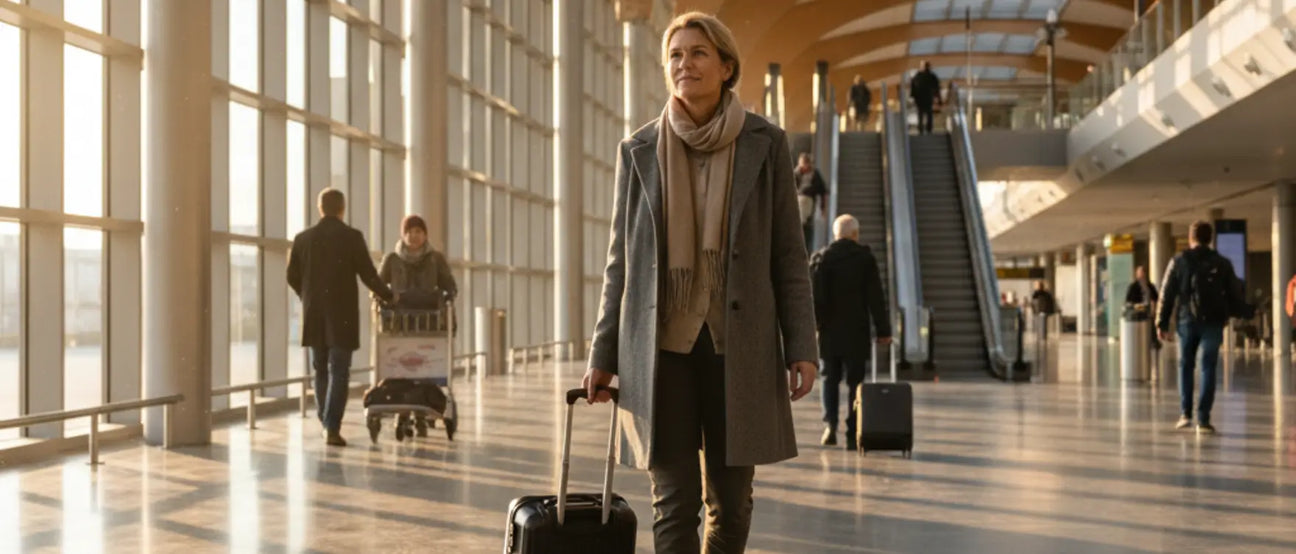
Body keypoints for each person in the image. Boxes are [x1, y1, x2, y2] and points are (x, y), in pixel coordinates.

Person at [583, 11, 818, 552]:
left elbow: (788, 254)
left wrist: (802, 345)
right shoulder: (638, 150)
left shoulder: (766, 143)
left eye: (697, 52)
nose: (683, 63)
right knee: (673, 504)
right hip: (660, 352)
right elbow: (620, 261)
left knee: (731, 505)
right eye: (674, 55)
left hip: (740, 348)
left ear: (726, 65)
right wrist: (603, 352)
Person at [288, 188, 395, 447]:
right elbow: (368, 274)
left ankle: (326, 422)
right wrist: (389, 296)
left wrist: (307, 297)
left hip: (314, 313)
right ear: (342, 208)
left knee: (320, 368)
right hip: (342, 314)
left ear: (320, 208)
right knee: (339, 370)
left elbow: (292, 276)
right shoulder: (352, 237)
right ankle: (331, 426)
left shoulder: (302, 239)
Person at [811, 215, 891, 450]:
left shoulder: (821, 259)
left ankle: (830, 426)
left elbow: (812, 298)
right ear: (855, 234)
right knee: (856, 381)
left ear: (835, 234)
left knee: (829, 378)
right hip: (856, 331)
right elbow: (875, 297)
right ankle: (853, 428)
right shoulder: (864, 259)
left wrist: (814, 326)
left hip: (828, 331)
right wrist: (883, 330)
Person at [1156, 220, 1243, 435]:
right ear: (1210, 238)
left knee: (1185, 365)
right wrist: (1229, 316)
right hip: (1212, 322)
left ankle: (1185, 414)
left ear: (1190, 237)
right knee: (1208, 367)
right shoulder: (1222, 263)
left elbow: (1167, 293)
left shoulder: (1179, 260)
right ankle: (1203, 420)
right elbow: (1235, 293)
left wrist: (1162, 322)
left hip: (1186, 321)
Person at [377, 214, 457, 437]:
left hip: (427, 323)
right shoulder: (392, 259)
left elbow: (449, 283)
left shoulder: (435, 259)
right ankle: (403, 413)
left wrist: (449, 294)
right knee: (400, 369)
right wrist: (382, 297)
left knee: (424, 368)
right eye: (410, 232)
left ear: (425, 235)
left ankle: (420, 414)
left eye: (418, 232)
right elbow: (379, 284)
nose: (414, 236)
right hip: (399, 324)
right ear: (403, 234)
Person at [794, 152, 828, 254]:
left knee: (806, 228)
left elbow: (823, 192)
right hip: (797, 202)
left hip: (808, 202)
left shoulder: (814, 174)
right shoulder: (796, 174)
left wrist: (823, 208)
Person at [1125, 265, 1160, 348]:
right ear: (1137, 274)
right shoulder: (1133, 287)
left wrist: (1153, 306)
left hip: (1149, 309)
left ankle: (1153, 341)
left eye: (1143, 272)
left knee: (1151, 324)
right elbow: (1129, 300)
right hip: (1138, 309)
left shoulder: (1150, 285)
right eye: (1140, 272)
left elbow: (1156, 297)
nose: (1142, 274)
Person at [909, 61, 941, 134]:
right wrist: (937, 98)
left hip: (922, 99)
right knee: (926, 113)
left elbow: (913, 88)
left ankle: (922, 129)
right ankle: (926, 129)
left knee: (922, 113)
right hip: (926, 98)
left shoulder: (918, 76)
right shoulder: (931, 76)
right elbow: (936, 88)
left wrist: (913, 97)